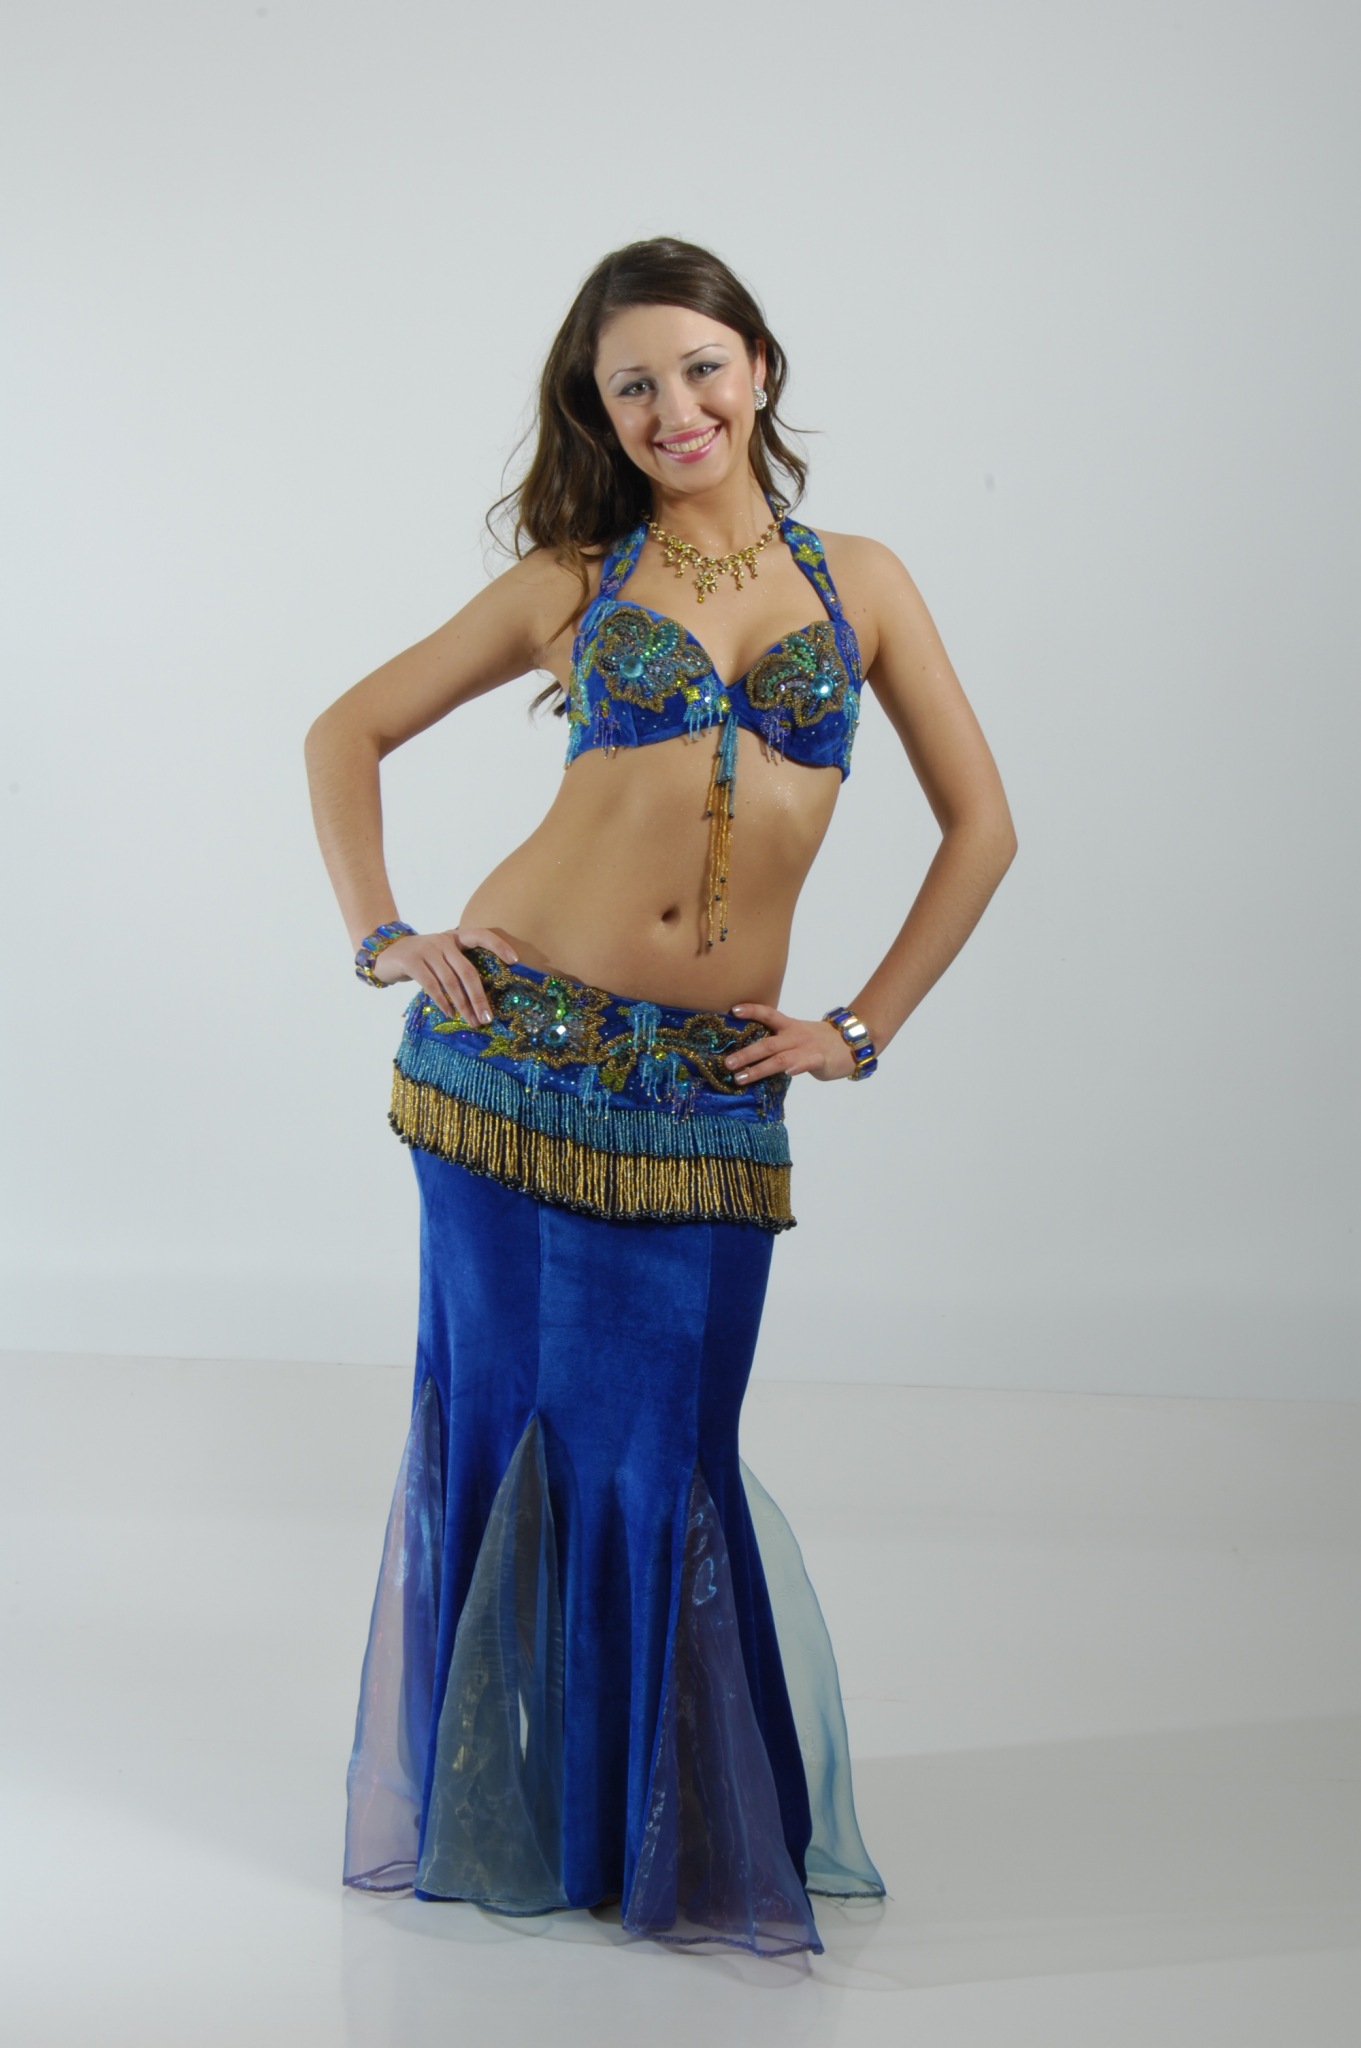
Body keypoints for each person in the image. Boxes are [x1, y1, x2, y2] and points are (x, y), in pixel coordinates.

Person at [304, 236, 1016, 1958]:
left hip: (707, 1088)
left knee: (665, 1446)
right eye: (631, 385)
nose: (672, 406)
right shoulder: (576, 577)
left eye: (699, 366)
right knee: (506, 1429)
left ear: (757, 368)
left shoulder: (863, 583)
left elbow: (981, 828)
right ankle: (532, 1825)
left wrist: (859, 1028)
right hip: (506, 1056)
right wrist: (385, 933)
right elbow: (345, 731)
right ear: (600, 412)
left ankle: (665, 1828)